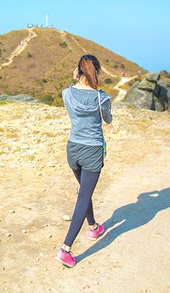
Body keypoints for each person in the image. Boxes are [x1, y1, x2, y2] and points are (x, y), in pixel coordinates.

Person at [55, 54, 113, 268]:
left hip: (73, 149)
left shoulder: (66, 93)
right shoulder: (102, 98)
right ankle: (65, 249)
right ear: (96, 72)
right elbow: (108, 120)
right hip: (92, 151)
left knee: (84, 191)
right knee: (83, 196)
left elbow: (72, 97)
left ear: (78, 72)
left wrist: (74, 80)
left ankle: (94, 227)